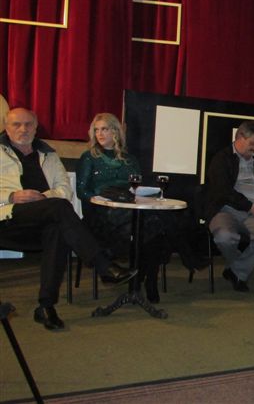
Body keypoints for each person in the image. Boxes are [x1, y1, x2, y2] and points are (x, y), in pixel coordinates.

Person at [0, 108, 136, 331]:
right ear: (7, 128)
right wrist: (12, 196)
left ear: (36, 128)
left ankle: (46, 307)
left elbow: (64, 189)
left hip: (43, 216)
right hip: (7, 217)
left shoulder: (49, 155)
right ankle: (103, 265)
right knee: (59, 210)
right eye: (17, 124)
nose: (23, 129)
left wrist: (43, 198)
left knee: (57, 228)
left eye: (28, 124)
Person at [76, 113, 207, 303]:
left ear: (115, 131)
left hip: (129, 209)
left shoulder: (129, 159)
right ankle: (182, 260)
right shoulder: (89, 157)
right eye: (96, 130)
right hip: (102, 213)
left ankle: (146, 280)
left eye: (104, 129)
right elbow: (81, 191)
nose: (100, 134)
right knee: (158, 225)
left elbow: (136, 189)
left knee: (155, 227)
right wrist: (102, 197)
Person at [204, 121, 254, 292]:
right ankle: (240, 270)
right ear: (240, 137)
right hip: (224, 210)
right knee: (224, 237)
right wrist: (251, 207)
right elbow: (223, 191)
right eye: (253, 143)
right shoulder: (221, 159)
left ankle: (236, 271)